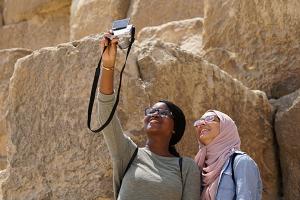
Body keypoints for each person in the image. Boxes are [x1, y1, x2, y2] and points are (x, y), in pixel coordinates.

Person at [97, 32, 200, 200]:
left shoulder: (186, 167)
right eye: (151, 111)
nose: (155, 114)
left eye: (164, 112)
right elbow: (105, 113)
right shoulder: (128, 153)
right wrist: (108, 65)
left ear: (175, 128)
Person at [194, 110, 262, 200]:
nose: (201, 124)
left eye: (209, 118)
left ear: (226, 128)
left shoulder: (241, 162)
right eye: (199, 121)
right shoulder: (199, 166)